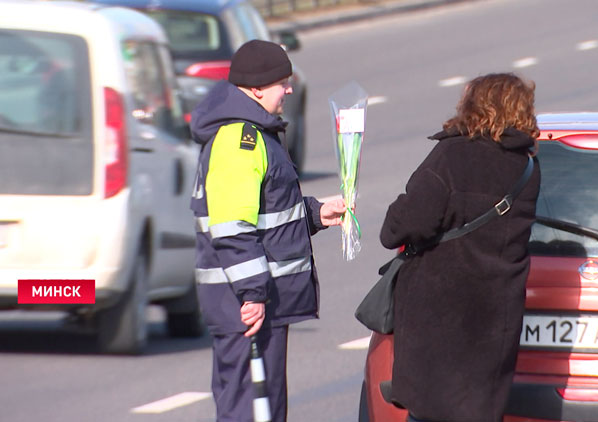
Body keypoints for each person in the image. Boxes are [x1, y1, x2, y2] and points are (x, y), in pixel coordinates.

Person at [189, 39, 346, 422]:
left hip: (252, 302)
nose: (289, 90)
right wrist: (252, 294)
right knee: (251, 411)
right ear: (257, 88)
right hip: (245, 307)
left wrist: (315, 214)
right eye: (282, 82)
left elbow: (264, 214)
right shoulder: (241, 140)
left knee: (264, 409)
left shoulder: (255, 132)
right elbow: (232, 227)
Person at [379, 73, 542, 422]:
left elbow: (407, 223)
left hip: (441, 313)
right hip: (495, 315)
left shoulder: (452, 155)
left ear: (475, 106)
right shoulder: (527, 166)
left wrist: (394, 216)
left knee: (428, 411)